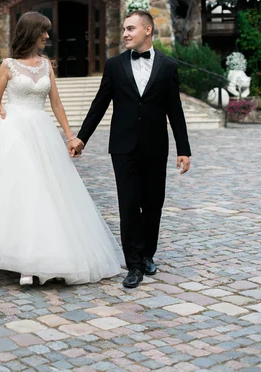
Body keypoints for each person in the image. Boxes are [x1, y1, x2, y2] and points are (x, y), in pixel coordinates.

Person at [0, 11, 124, 286]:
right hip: (13, 131)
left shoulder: (46, 66)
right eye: (44, 31)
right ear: (32, 32)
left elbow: (56, 103)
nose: (48, 36)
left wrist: (69, 136)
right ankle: (20, 259)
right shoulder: (8, 65)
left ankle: (40, 258)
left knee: (46, 191)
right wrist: (3, 113)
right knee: (21, 190)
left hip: (41, 131)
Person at [68, 10, 192, 289]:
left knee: (153, 204)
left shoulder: (168, 66)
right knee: (128, 204)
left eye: (130, 28)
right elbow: (99, 104)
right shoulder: (114, 65)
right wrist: (82, 138)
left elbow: (176, 110)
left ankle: (148, 253)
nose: (125, 33)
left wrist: (183, 149)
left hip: (156, 146)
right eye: (124, 28)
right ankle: (134, 264)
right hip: (123, 147)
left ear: (148, 30)